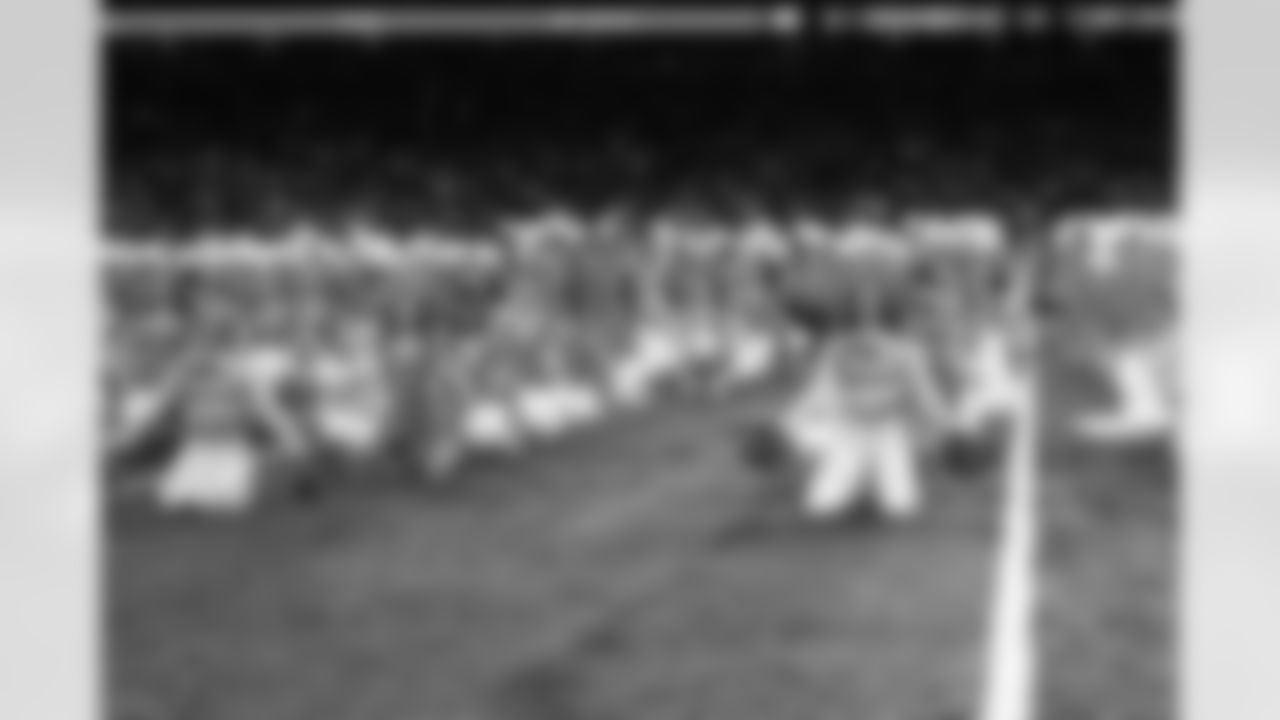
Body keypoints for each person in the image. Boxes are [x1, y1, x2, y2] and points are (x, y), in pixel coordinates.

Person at [777, 293, 948, 524]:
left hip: (889, 431)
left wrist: (950, 431)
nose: (864, 330)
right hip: (849, 431)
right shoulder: (836, 351)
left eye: (870, 322)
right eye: (856, 323)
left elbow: (927, 398)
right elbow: (817, 394)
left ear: (884, 324)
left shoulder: (908, 353)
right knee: (822, 505)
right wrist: (783, 428)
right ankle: (861, 483)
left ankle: (871, 482)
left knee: (900, 507)